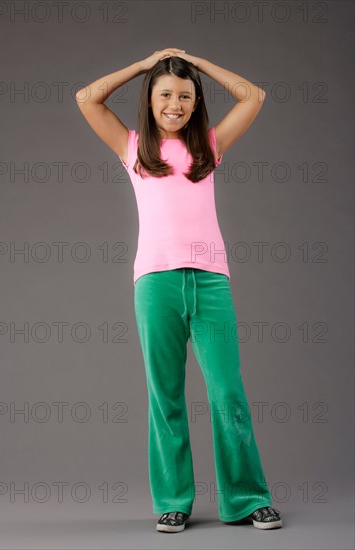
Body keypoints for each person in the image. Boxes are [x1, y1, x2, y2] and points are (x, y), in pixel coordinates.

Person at [75, 48, 283, 533]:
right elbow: (87, 97)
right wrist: (146, 65)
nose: (175, 104)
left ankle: (249, 497)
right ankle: (173, 501)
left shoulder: (210, 145)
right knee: (164, 395)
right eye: (165, 94)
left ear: (195, 103)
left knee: (227, 393)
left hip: (211, 282)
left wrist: (195, 61)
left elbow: (253, 96)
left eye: (185, 96)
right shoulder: (131, 148)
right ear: (149, 101)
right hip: (155, 283)